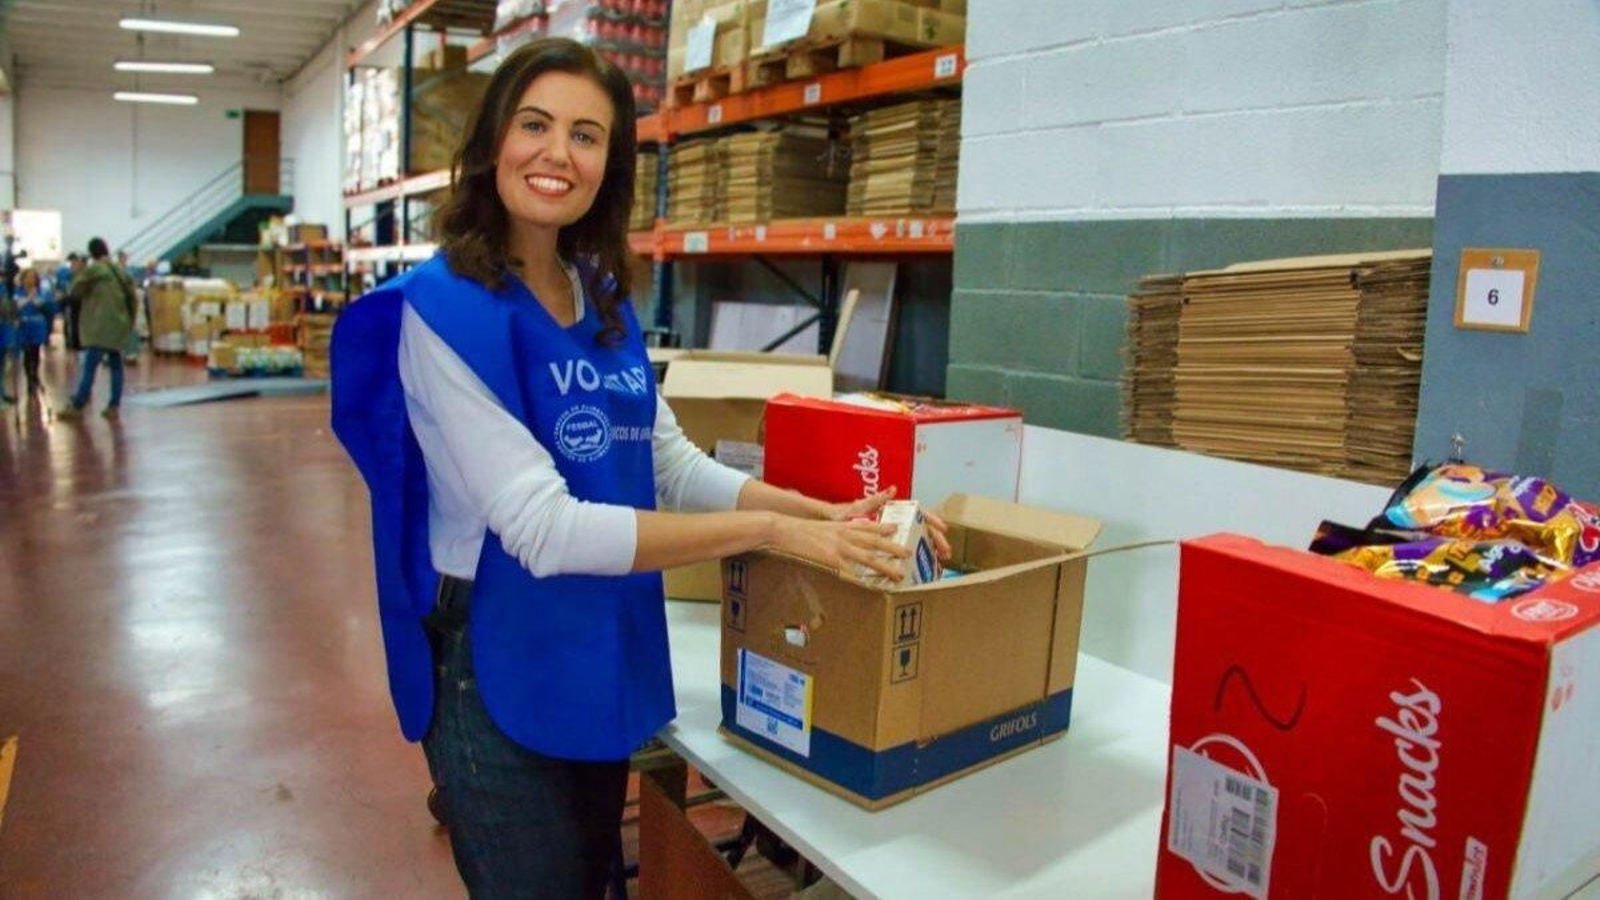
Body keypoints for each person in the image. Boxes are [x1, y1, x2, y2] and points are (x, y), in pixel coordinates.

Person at [330, 37, 951, 898]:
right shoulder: (442, 314)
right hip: (496, 655)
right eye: (535, 125)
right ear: (491, 144)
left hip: (596, 634)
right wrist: (770, 532)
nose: (558, 154)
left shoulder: (602, 298)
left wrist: (821, 515)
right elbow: (543, 530)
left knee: (592, 879)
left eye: (587, 136)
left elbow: (667, 462)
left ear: (610, 164)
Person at [57, 238, 137, 420]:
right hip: (119, 325)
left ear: (91, 253)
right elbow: (133, 299)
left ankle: (77, 405)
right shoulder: (120, 271)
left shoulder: (93, 270)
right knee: (116, 366)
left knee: (90, 366)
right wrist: (129, 322)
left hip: (99, 327)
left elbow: (75, 290)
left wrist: (78, 271)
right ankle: (114, 406)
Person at [15, 268, 53, 396]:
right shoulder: (18, 291)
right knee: (26, 354)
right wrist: (29, 298)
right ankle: (29, 380)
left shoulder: (41, 291)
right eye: (28, 277)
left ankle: (35, 376)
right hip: (24, 326)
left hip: (37, 326)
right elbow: (18, 305)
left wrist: (32, 297)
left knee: (35, 353)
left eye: (33, 277)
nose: (31, 280)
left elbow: (42, 304)